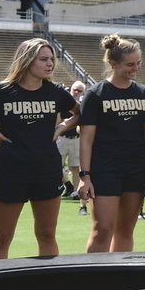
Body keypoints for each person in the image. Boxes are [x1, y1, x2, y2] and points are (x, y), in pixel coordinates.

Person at [0, 39, 79, 260]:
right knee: (2, 237)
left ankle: (48, 289)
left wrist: (62, 127)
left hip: (47, 170)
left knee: (46, 234)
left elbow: (80, 113)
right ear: (26, 60)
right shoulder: (0, 92)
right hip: (11, 171)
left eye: (52, 59)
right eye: (43, 59)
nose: (50, 63)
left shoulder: (55, 92)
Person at [77, 35, 145, 253]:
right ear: (113, 64)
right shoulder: (95, 95)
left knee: (126, 230)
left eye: (138, 63)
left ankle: (121, 281)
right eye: (130, 64)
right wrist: (84, 176)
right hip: (104, 169)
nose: (135, 68)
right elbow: (86, 138)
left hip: (136, 169)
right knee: (103, 230)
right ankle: (93, 284)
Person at [57, 80, 86, 214]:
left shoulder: (83, 105)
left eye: (79, 91)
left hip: (76, 139)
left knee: (75, 167)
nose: (76, 92)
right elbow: (58, 120)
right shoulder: (64, 102)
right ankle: (67, 185)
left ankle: (74, 191)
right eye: (75, 89)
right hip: (63, 137)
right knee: (55, 163)